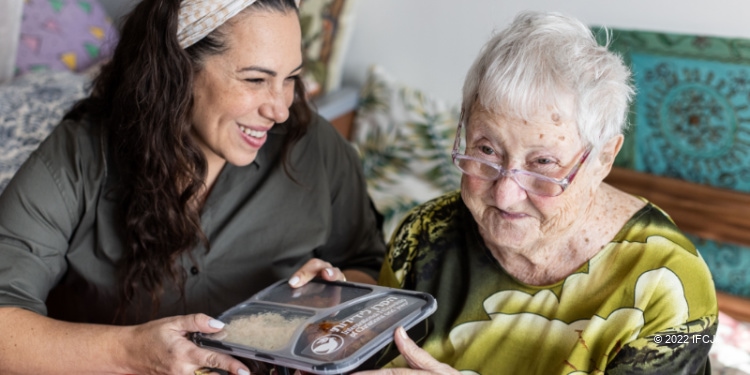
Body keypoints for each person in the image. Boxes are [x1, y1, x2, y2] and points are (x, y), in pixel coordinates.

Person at [0, 0, 385, 374]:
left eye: (290, 79)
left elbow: (367, 268)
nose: (280, 109)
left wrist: (333, 296)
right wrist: (131, 352)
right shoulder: (78, 157)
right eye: (255, 80)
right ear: (178, 69)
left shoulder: (315, 148)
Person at [355, 11, 718, 375]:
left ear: (604, 158)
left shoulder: (671, 285)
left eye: (542, 162)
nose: (505, 194)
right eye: (486, 150)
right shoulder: (422, 237)